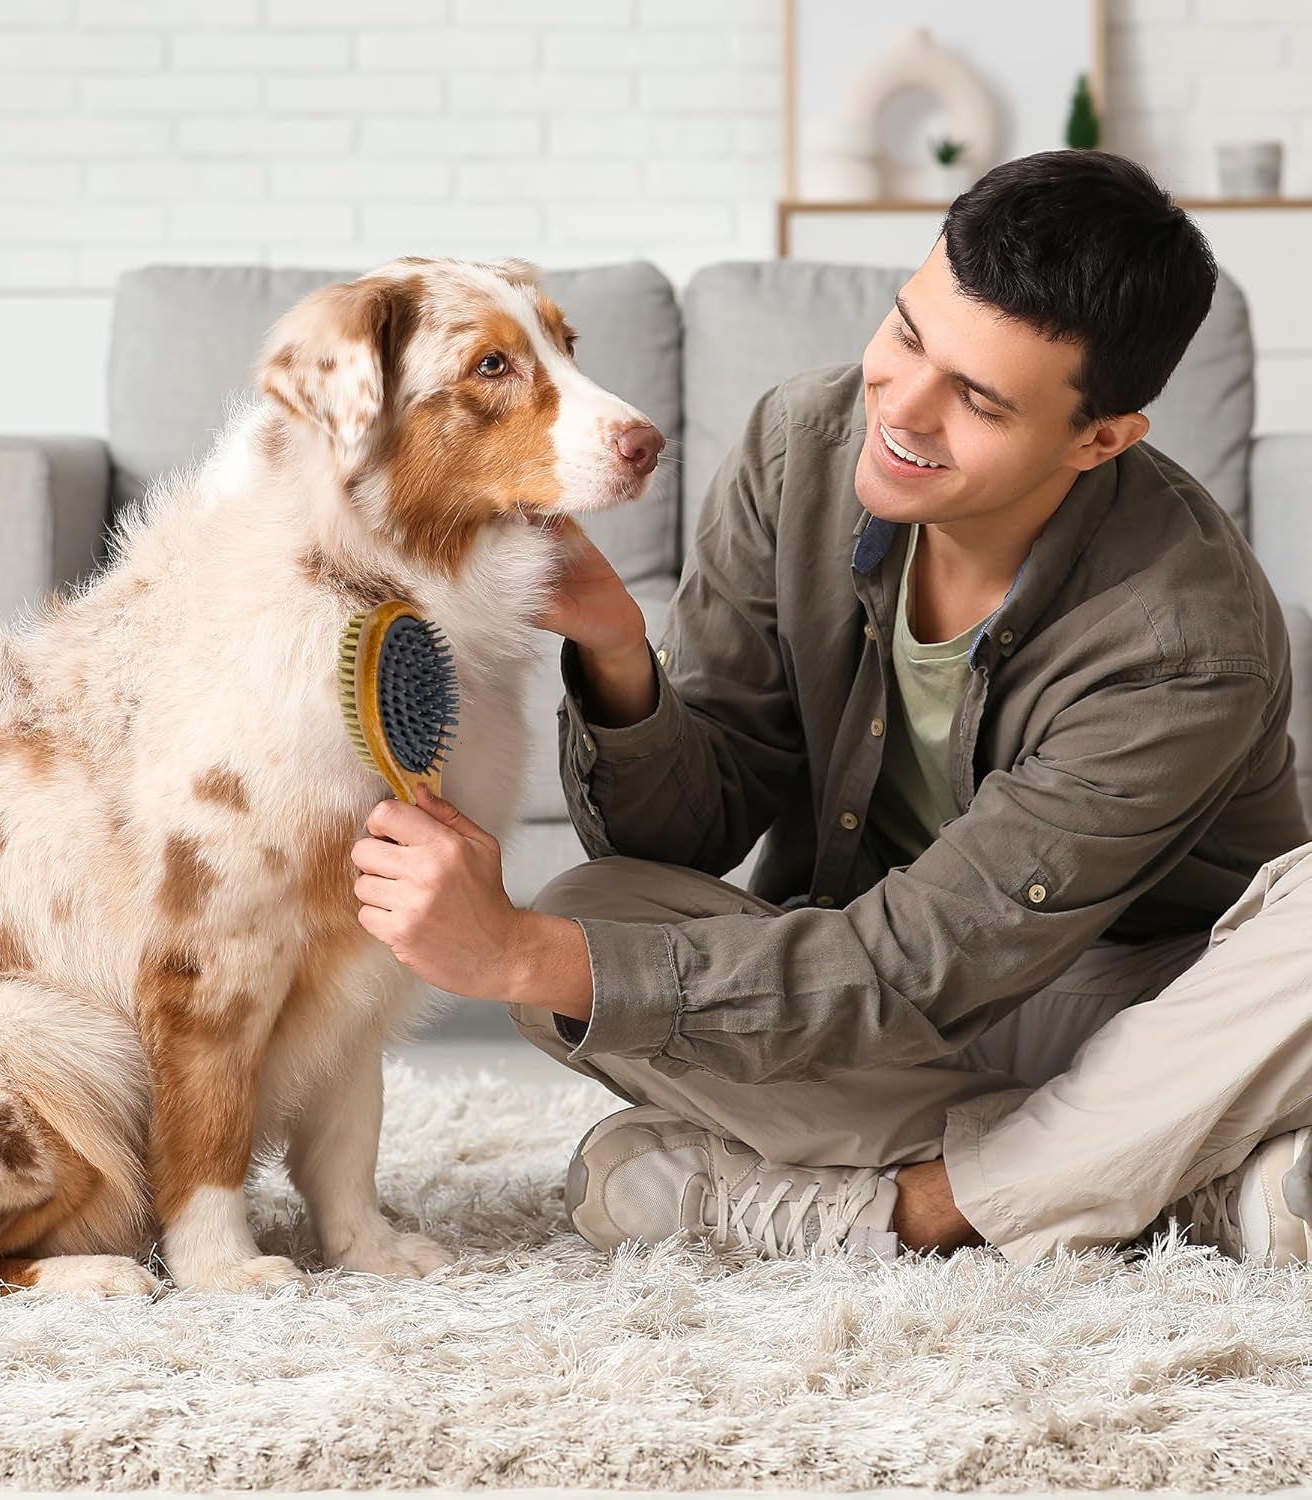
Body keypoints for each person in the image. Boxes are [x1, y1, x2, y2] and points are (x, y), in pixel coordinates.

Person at [349, 151, 1312, 1268]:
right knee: (596, 907)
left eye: (979, 401)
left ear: (1098, 440)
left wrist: (515, 956)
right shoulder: (798, 446)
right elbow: (687, 841)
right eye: (907, 336)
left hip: (1138, 1011)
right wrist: (617, 649)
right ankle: (1177, 1179)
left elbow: (911, 968)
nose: (900, 410)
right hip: (875, 1008)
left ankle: (917, 1211)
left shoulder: (1184, 644)